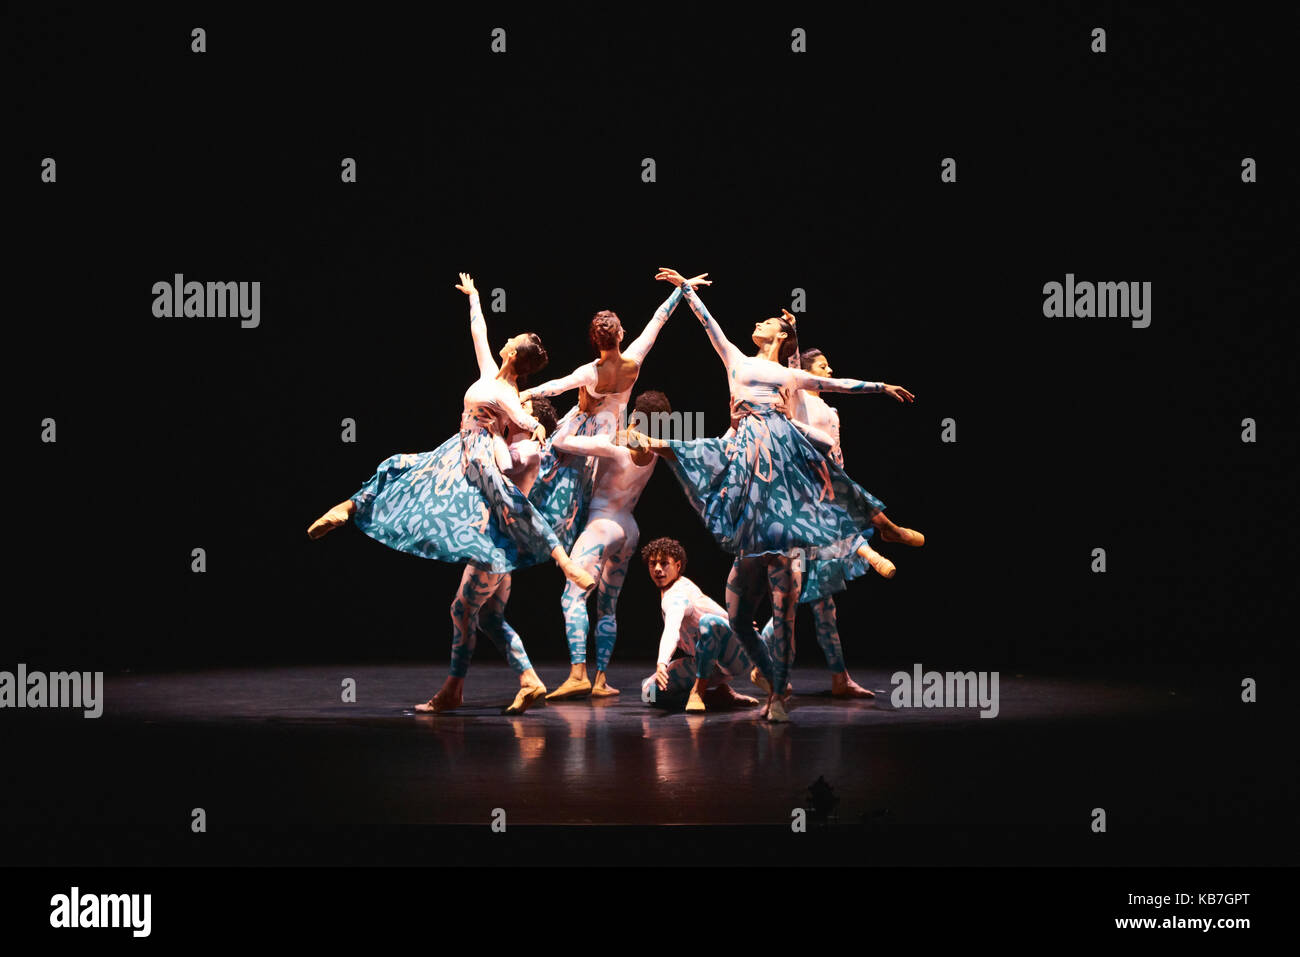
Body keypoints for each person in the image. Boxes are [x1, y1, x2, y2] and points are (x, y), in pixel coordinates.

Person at [632, 268, 915, 721]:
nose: (759, 324)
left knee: (823, 476)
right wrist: (684, 289)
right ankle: (775, 687)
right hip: (745, 460)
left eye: (768, 323)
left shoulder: (788, 375)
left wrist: (880, 387)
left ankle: (881, 531)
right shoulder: (738, 362)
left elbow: (833, 384)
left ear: (781, 335)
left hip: (778, 455)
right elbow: (709, 326)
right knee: (738, 612)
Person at [306, 273, 594, 713]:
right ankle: (348, 506)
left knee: (467, 605)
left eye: (512, 339)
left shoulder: (509, 398)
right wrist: (475, 298)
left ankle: (563, 565)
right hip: (454, 451)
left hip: (476, 461)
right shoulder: (488, 375)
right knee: (401, 464)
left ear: (515, 354)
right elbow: (479, 333)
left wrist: (535, 425)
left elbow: (521, 415)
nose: (505, 339)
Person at [757, 347, 927, 698]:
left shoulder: (829, 409)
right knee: (792, 594)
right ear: (807, 371)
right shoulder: (799, 398)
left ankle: (839, 678)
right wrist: (793, 330)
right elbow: (792, 366)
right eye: (823, 365)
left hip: (831, 491)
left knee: (820, 602)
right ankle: (875, 544)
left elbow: (837, 455)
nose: (830, 368)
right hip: (806, 499)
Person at [520, 282, 690, 550]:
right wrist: (682, 289)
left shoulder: (589, 372)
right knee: (580, 487)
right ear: (620, 335)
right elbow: (659, 320)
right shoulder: (633, 361)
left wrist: (527, 393)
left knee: (551, 463)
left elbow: (557, 386)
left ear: (595, 340)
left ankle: (525, 513)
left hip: (581, 426)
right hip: (606, 432)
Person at [545, 390, 673, 701]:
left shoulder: (612, 448)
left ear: (635, 418)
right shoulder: (654, 452)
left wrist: (582, 412)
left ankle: (578, 675)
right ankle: (601, 680)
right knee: (607, 608)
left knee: (572, 597)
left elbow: (560, 440)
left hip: (602, 526)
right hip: (628, 530)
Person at [638, 538, 761, 713]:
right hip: (709, 663)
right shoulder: (680, 587)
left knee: (707, 623)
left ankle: (699, 692)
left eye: (664, 563)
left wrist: (662, 663)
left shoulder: (676, 595)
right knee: (648, 692)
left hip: (736, 657)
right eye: (653, 564)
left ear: (678, 566)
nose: (658, 569)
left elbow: (672, 628)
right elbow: (708, 606)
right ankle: (719, 696)